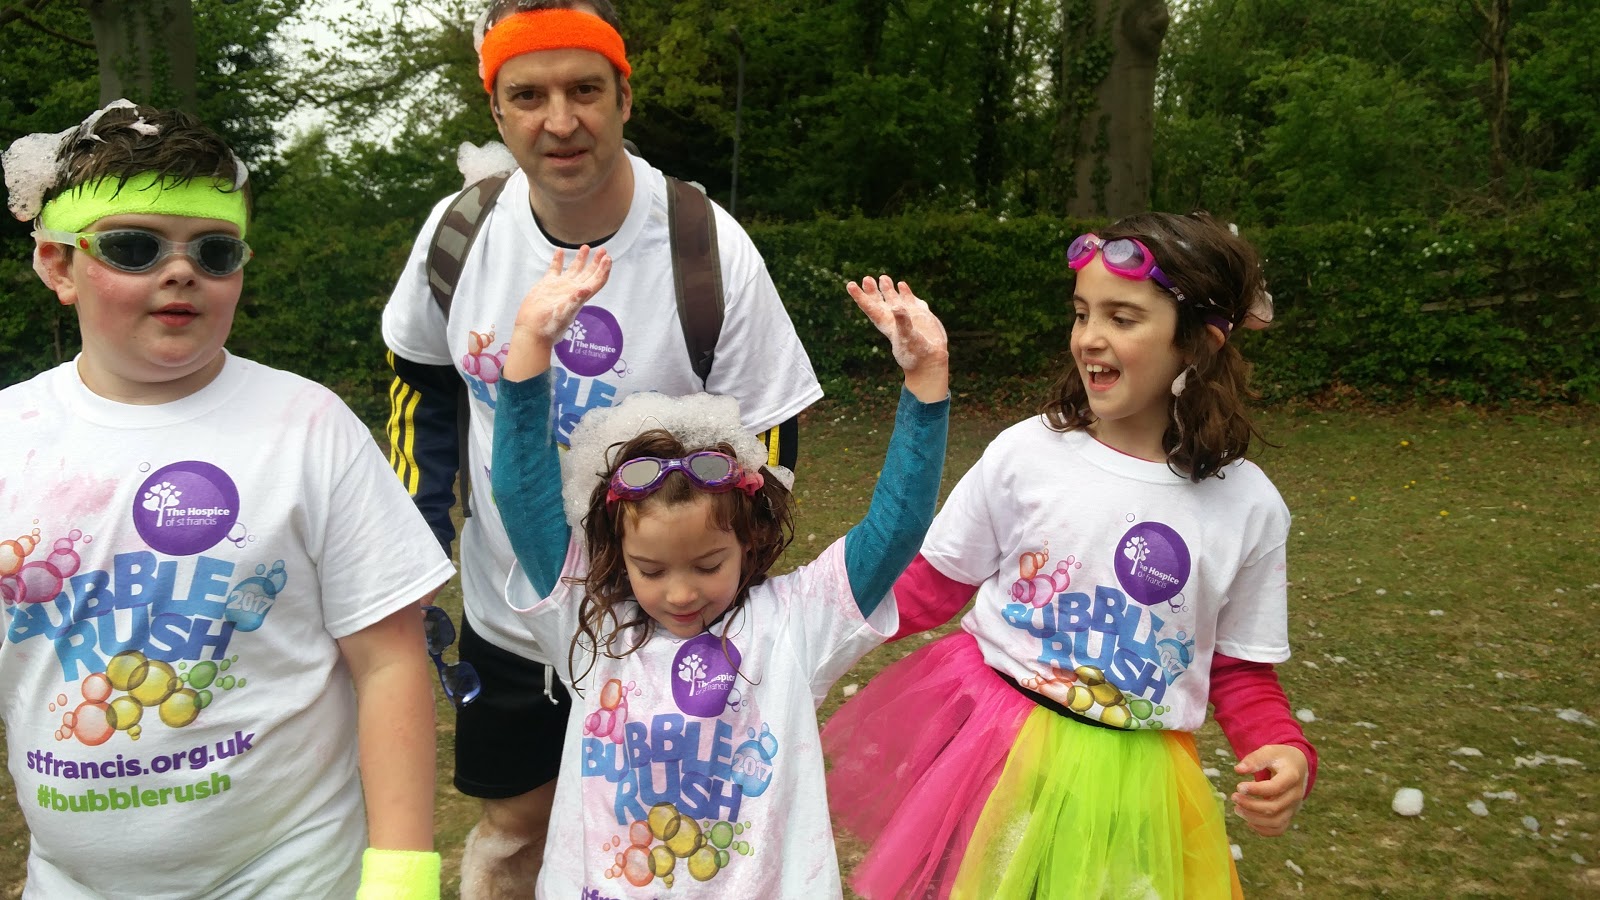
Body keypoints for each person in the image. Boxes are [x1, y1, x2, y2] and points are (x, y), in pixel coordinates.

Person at [380, 3, 822, 892]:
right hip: (512, 614)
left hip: (667, 622)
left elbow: (769, 431)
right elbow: (419, 386)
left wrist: (710, 582)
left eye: (585, 90)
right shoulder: (461, 234)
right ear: (495, 109)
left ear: (624, 96)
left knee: (671, 831)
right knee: (514, 832)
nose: (560, 121)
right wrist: (417, 543)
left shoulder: (703, 243)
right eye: (528, 96)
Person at [0, 101, 453, 899]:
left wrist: (403, 874)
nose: (181, 272)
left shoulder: (306, 427)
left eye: (214, 251)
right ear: (58, 265)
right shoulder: (13, 436)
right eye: (133, 246)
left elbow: (388, 661)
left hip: (291, 873)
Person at [822, 212, 1319, 899]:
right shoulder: (1027, 454)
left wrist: (1283, 748)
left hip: (1128, 788)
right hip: (986, 750)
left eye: (1123, 317)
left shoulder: (1248, 506)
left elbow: (1238, 668)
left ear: (1199, 343)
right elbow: (933, 585)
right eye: (1083, 313)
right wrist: (815, 628)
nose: (1089, 336)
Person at [486, 245, 949, 897]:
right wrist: (532, 345)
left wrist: (926, 379)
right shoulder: (589, 621)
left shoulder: (793, 625)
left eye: (708, 565)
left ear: (750, 542)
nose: (680, 592)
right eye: (650, 569)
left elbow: (897, 525)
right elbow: (521, 493)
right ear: (616, 554)